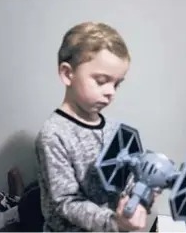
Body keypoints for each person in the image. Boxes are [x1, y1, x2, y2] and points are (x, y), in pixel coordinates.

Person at [35, 21, 155, 232]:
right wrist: (113, 222)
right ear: (67, 74)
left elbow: (128, 179)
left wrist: (142, 194)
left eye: (117, 84)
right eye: (101, 81)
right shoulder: (53, 135)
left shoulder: (114, 130)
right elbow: (66, 202)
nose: (111, 92)